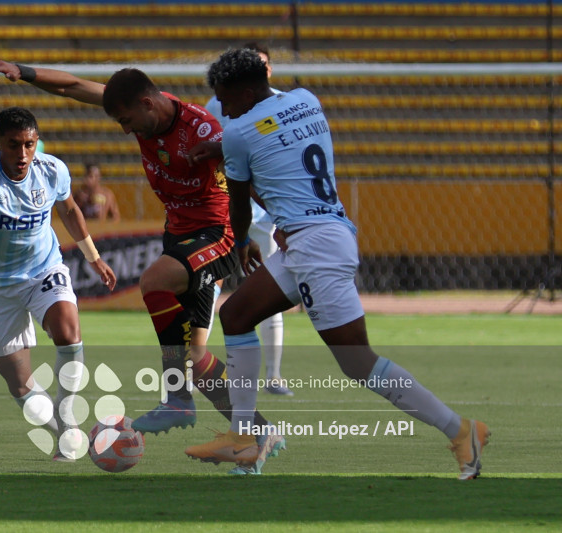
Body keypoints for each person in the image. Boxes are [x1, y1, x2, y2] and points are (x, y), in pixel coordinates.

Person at [184, 48, 490, 480]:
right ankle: (247, 438)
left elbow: (239, 202)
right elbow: (273, 139)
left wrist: (240, 245)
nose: (225, 110)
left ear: (247, 90)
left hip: (315, 248)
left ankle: (461, 431)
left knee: (357, 361)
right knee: (235, 315)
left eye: (227, 100)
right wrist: (222, 148)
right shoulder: (306, 99)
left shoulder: (238, 133)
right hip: (320, 234)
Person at [0, 60, 285, 475]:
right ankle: (256, 431)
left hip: (217, 236)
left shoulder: (202, 130)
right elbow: (72, 84)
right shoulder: (144, 116)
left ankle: (175, 399)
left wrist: (283, 225)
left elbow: (250, 175)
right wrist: (24, 71)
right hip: (180, 237)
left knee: (153, 280)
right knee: (195, 358)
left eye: (126, 120)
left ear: (146, 104)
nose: (125, 130)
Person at [0, 107, 117, 461]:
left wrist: (93, 257)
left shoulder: (51, 169)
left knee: (68, 331)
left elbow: (70, 210)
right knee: (19, 385)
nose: (23, 154)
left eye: (30, 144)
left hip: (43, 269)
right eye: (14, 146)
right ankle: (65, 431)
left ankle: (66, 410)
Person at [203, 42, 292, 396]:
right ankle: (198, 365)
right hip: (227, 208)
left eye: (265, 64)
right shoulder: (217, 104)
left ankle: (274, 376)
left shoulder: (287, 103)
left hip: (267, 214)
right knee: (209, 288)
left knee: (267, 291)